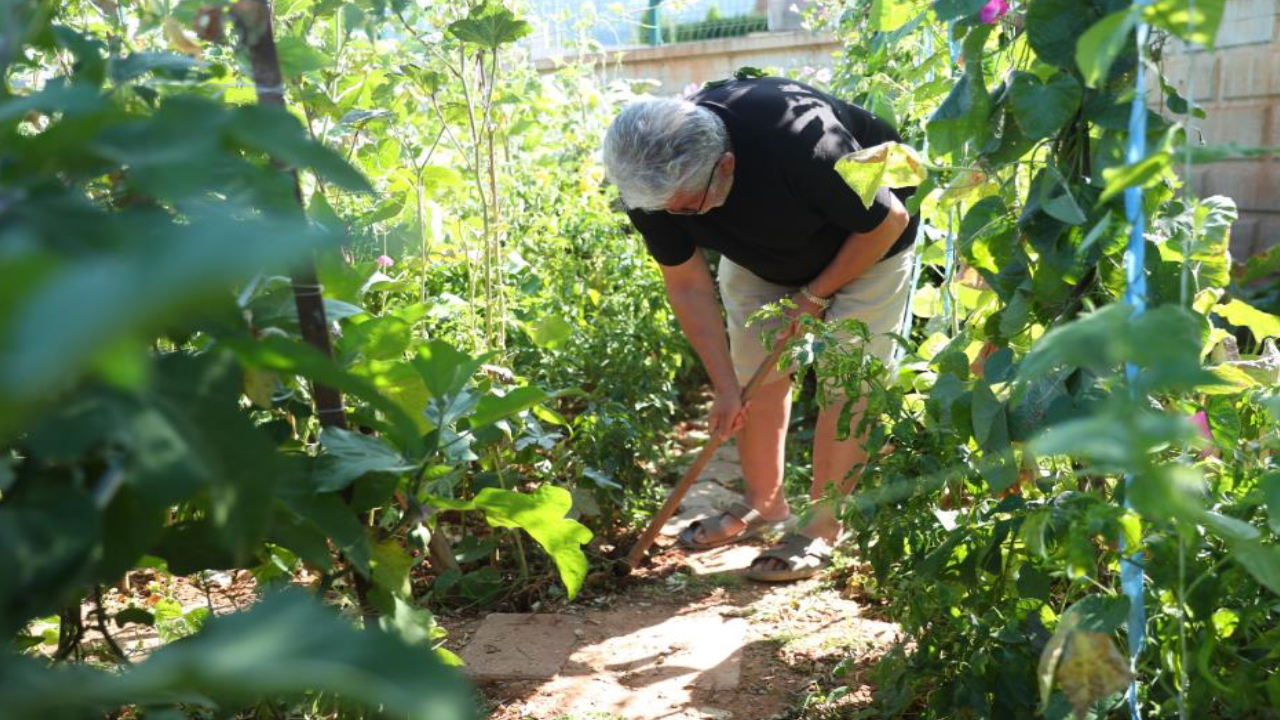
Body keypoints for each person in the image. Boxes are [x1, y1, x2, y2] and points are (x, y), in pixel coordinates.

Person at [602, 76, 919, 582]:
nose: (676, 219)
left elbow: (888, 219)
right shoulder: (655, 181)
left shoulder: (802, 142)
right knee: (755, 373)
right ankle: (765, 504)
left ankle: (821, 528)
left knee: (847, 379)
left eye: (686, 207)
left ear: (725, 166)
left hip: (870, 242)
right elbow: (686, 284)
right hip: (761, 254)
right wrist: (725, 386)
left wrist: (814, 296)